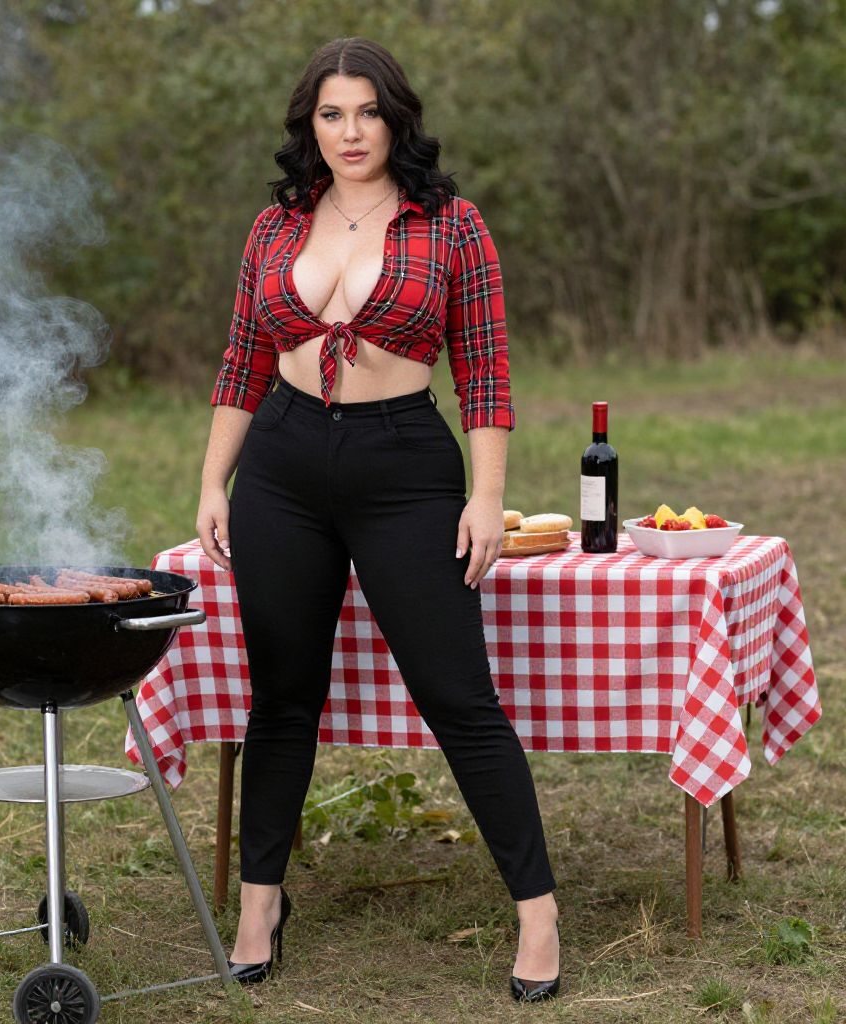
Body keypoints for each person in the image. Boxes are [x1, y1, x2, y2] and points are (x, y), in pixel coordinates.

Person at [196, 37, 560, 1003]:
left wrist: (485, 496)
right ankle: (260, 903)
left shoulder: (452, 223)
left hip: (405, 466)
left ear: (395, 117)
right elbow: (240, 360)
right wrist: (211, 484)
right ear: (308, 125)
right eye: (330, 114)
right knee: (282, 697)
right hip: (279, 465)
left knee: (458, 696)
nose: (349, 132)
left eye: (365, 111)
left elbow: (484, 367)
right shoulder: (275, 225)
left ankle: (537, 913)